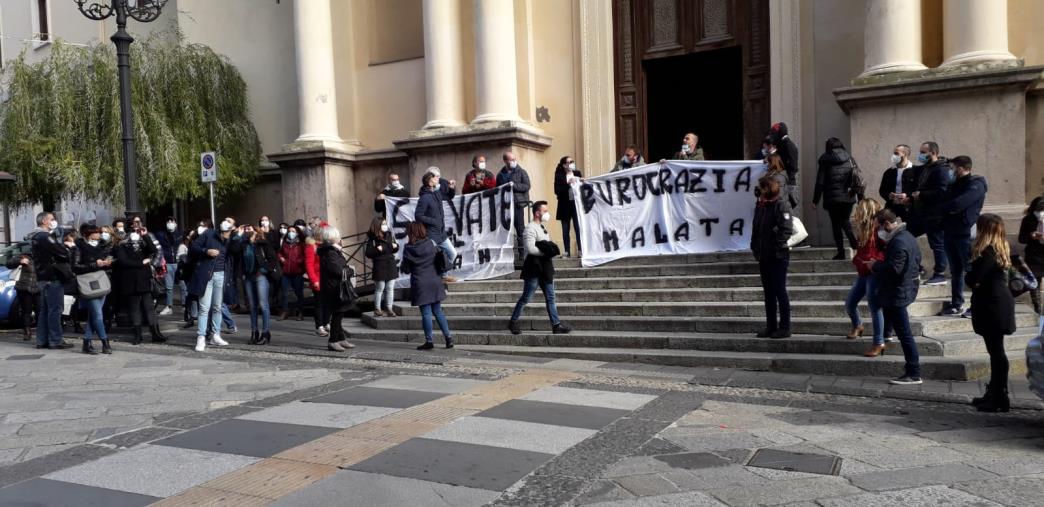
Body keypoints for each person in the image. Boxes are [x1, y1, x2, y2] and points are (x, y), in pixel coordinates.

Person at [965, 214, 1017, 412]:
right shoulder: (999, 247)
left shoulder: (988, 251)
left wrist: (968, 274)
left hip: (993, 304)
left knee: (996, 352)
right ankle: (995, 393)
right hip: (995, 302)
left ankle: (999, 396)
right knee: (996, 351)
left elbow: (974, 279)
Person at [870, 209, 923, 385]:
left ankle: (913, 372)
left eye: (879, 226)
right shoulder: (907, 236)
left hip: (898, 291)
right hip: (900, 289)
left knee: (905, 334)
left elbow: (894, 269)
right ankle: (887, 335)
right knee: (901, 329)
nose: (878, 231)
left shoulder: (899, 242)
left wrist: (875, 265)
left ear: (886, 224)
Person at [507, 201, 571, 336]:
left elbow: (544, 245)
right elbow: (530, 248)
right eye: (545, 211)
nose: (547, 213)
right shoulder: (530, 228)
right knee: (527, 297)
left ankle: (556, 325)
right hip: (534, 267)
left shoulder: (542, 227)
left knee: (551, 297)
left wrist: (548, 250)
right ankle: (513, 321)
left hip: (545, 267)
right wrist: (546, 252)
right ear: (537, 213)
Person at [937, 156, 987, 317]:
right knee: (955, 271)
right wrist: (947, 208)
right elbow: (944, 203)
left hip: (965, 233)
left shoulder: (976, 184)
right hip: (950, 231)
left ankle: (978, 305)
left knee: (972, 271)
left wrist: (946, 208)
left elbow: (960, 204)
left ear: (961, 168)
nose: (950, 171)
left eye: (952, 168)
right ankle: (957, 304)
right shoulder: (953, 185)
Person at [751, 177, 794, 339]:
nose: (758, 190)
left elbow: (786, 230)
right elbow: (756, 228)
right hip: (764, 255)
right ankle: (771, 326)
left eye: (761, 187)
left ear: (768, 188)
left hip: (777, 255)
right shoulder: (761, 207)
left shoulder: (781, 205)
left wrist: (776, 246)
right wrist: (755, 247)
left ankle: (784, 327)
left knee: (779, 290)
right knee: (768, 292)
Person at [401, 222, 453, 350]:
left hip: (420, 283)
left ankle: (429, 341)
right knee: (438, 311)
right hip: (434, 280)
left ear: (411, 233)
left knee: (426, 313)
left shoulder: (408, 248)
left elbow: (406, 270)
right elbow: (439, 260)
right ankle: (448, 338)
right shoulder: (431, 243)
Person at [845, 199, 887, 356]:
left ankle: (879, 342)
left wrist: (873, 261)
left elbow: (885, 252)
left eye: (860, 210)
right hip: (863, 273)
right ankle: (858, 325)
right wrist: (857, 259)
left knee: (875, 308)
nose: (857, 213)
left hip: (874, 274)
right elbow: (860, 251)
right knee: (850, 303)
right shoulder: (862, 229)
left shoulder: (879, 230)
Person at [908, 141, 953, 285]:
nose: (920, 155)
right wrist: (910, 197)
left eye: (923, 152)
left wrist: (921, 195)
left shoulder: (942, 169)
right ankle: (916, 267)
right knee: (907, 235)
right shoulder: (927, 168)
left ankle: (940, 273)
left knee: (937, 244)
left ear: (933, 153)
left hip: (935, 215)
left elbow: (942, 192)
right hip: (922, 213)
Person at [114, 227, 165, 345]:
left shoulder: (143, 245)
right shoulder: (122, 246)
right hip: (130, 281)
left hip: (144, 280)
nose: (135, 239)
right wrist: (141, 263)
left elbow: (153, 249)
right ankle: (137, 335)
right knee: (135, 308)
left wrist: (145, 236)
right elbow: (123, 261)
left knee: (149, 307)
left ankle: (155, 333)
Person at [189, 220, 234, 352]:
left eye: (229, 232)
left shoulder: (230, 240)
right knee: (204, 308)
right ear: (220, 231)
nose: (227, 235)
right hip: (207, 275)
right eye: (226, 232)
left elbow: (235, 250)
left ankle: (216, 335)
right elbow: (194, 247)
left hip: (221, 275)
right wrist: (206, 251)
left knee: (217, 307)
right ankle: (201, 337)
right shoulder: (208, 234)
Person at [30, 212, 72, 350]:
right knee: (55, 309)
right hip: (52, 277)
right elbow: (62, 253)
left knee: (44, 310)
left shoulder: (35, 236)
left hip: (42, 277)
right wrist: (65, 246)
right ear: (44, 221)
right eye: (52, 219)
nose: (54, 222)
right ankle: (55, 340)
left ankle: (42, 340)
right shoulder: (45, 236)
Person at [813, 137, 860, 260]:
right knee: (845, 220)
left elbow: (820, 182)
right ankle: (854, 243)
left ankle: (841, 252)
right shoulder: (850, 159)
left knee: (836, 225)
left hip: (832, 198)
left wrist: (815, 200)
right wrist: (861, 198)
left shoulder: (825, 161)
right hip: (848, 197)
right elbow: (857, 179)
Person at [233, 225, 278, 345]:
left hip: (260, 277)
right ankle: (254, 332)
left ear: (255, 231)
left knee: (263, 305)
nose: (247, 231)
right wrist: (238, 235)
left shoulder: (263, 243)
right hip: (248, 277)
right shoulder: (243, 244)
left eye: (249, 229)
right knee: (252, 306)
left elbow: (273, 260)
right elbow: (233, 249)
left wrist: (263, 271)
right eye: (245, 229)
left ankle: (265, 332)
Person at [72, 226, 114, 355]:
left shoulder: (101, 246)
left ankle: (86, 342)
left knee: (94, 315)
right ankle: (105, 342)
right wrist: (95, 265)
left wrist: (108, 262)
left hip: (101, 280)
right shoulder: (79, 247)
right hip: (88, 283)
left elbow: (110, 256)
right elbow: (75, 266)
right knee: (97, 314)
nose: (100, 234)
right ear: (89, 234)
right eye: (97, 232)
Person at [415, 169, 458, 282]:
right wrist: (433, 221)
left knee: (452, 254)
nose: (438, 179)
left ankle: (443, 275)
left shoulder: (437, 194)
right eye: (435, 178)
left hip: (441, 233)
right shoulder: (424, 198)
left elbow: (449, 196)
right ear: (430, 182)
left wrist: (452, 188)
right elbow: (418, 216)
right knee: (431, 259)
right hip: (431, 234)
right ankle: (435, 279)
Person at [317, 225, 355, 352]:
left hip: (336, 286)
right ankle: (333, 341)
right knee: (338, 314)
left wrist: (346, 269)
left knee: (340, 313)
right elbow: (338, 270)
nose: (339, 238)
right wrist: (349, 271)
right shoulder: (330, 253)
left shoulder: (333, 251)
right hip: (334, 288)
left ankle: (341, 338)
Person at [496, 152, 532, 263]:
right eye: (511, 159)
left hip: (517, 204)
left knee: (520, 229)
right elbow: (498, 189)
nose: (513, 161)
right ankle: (505, 255)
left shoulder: (521, 172)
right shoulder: (500, 174)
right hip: (505, 205)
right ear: (505, 161)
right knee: (505, 230)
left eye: (514, 159)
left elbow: (527, 186)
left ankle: (522, 254)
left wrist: (514, 185)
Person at [365, 216, 399, 317]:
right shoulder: (372, 239)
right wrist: (377, 250)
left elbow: (393, 247)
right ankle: (377, 309)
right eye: (383, 224)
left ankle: (389, 308)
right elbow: (368, 253)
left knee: (390, 288)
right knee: (380, 288)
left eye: (385, 224)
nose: (385, 226)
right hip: (380, 265)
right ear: (378, 225)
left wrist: (396, 247)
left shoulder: (389, 235)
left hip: (391, 264)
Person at [1018, 196, 1044, 314]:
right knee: (1035, 282)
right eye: (1038, 211)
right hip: (1034, 255)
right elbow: (1021, 239)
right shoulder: (1028, 220)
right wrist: (1031, 235)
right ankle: (1037, 306)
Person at [554, 156, 583, 258]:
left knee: (578, 228)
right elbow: (557, 190)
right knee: (565, 229)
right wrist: (568, 184)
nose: (571, 163)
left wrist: (582, 182)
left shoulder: (577, 173)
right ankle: (567, 251)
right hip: (564, 205)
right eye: (569, 162)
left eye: (572, 161)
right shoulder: (559, 175)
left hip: (575, 205)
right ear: (564, 165)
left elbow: (582, 188)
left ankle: (580, 250)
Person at [6, 250, 38, 341]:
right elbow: (9, 263)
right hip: (24, 288)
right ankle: (27, 332)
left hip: (38, 289)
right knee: (26, 311)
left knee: (40, 311)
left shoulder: (42, 257)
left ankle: (41, 332)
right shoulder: (24, 256)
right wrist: (20, 261)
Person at [879, 144, 915, 222]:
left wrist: (907, 196)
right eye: (894, 153)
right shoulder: (889, 172)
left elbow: (918, 189)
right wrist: (889, 195)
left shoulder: (915, 171)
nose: (894, 156)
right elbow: (882, 190)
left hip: (908, 206)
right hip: (892, 205)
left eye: (896, 153)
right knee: (884, 224)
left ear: (905, 154)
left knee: (910, 230)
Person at [155, 216, 183, 316]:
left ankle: (185, 306)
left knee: (183, 285)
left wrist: (173, 233)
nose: (170, 223)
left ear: (176, 223)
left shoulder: (180, 234)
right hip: (167, 262)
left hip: (179, 262)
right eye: (168, 221)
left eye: (172, 221)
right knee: (169, 286)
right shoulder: (161, 234)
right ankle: (169, 306)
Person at [769, 122, 800, 213]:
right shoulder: (781, 145)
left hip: (787, 181)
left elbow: (792, 166)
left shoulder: (788, 145)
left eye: (774, 133)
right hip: (783, 180)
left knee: (785, 207)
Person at [278, 225, 306, 321]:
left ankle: (301, 313)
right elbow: (280, 253)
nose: (291, 233)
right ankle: (284, 312)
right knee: (284, 293)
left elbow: (305, 255)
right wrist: (281, 258)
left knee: (299, 293)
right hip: (286, 272)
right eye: (289, 231)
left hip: (297, 272)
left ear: (297, 233)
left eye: (293, 231)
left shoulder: (301, 244)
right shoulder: (285, 243)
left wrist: (299, 261)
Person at [303, 228, 327, 336]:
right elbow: (309, 265)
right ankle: (319, 326)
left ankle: (326, 323)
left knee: (328, 303)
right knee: (319, 303)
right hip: (318, 278)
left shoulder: (326, 244)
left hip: (328, 278)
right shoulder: (311, 246)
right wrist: (314, 280)